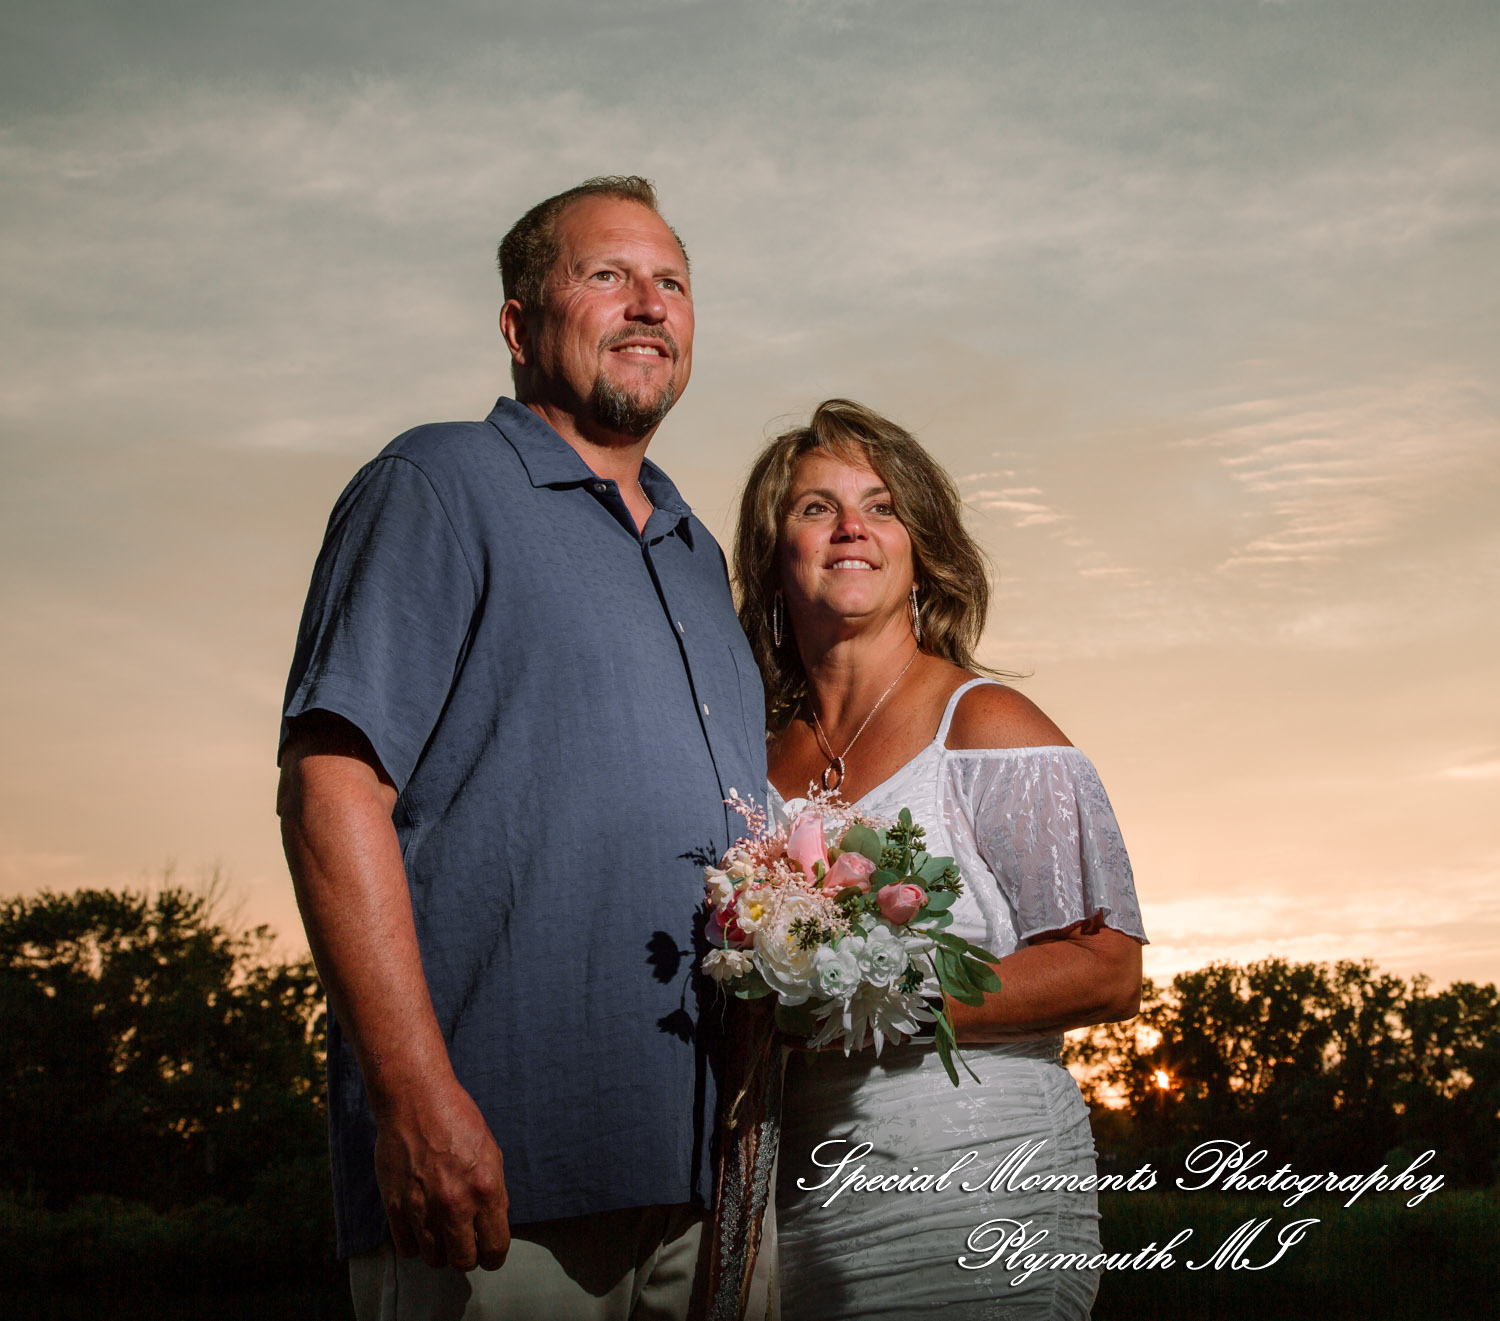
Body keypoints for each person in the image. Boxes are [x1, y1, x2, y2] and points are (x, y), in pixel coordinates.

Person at [276, 175, 767, 1321]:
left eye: (672, 282)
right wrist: (412, 1098)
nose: (648, 303)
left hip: (710, 1191)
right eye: (606, 275)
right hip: (502, 1175)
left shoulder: (699, 552)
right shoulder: (438, 482)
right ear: (518, 322)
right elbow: (330, 786)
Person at [732, 399, 1147, 1319]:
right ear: (773, 556)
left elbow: (1108, 969)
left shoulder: (990, 727)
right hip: (791, 1209)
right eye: (815, 508)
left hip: (976, 1185)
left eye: (881, 507)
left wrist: (878, 999)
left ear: (921, 549)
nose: (850, 528)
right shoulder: (747, 761)